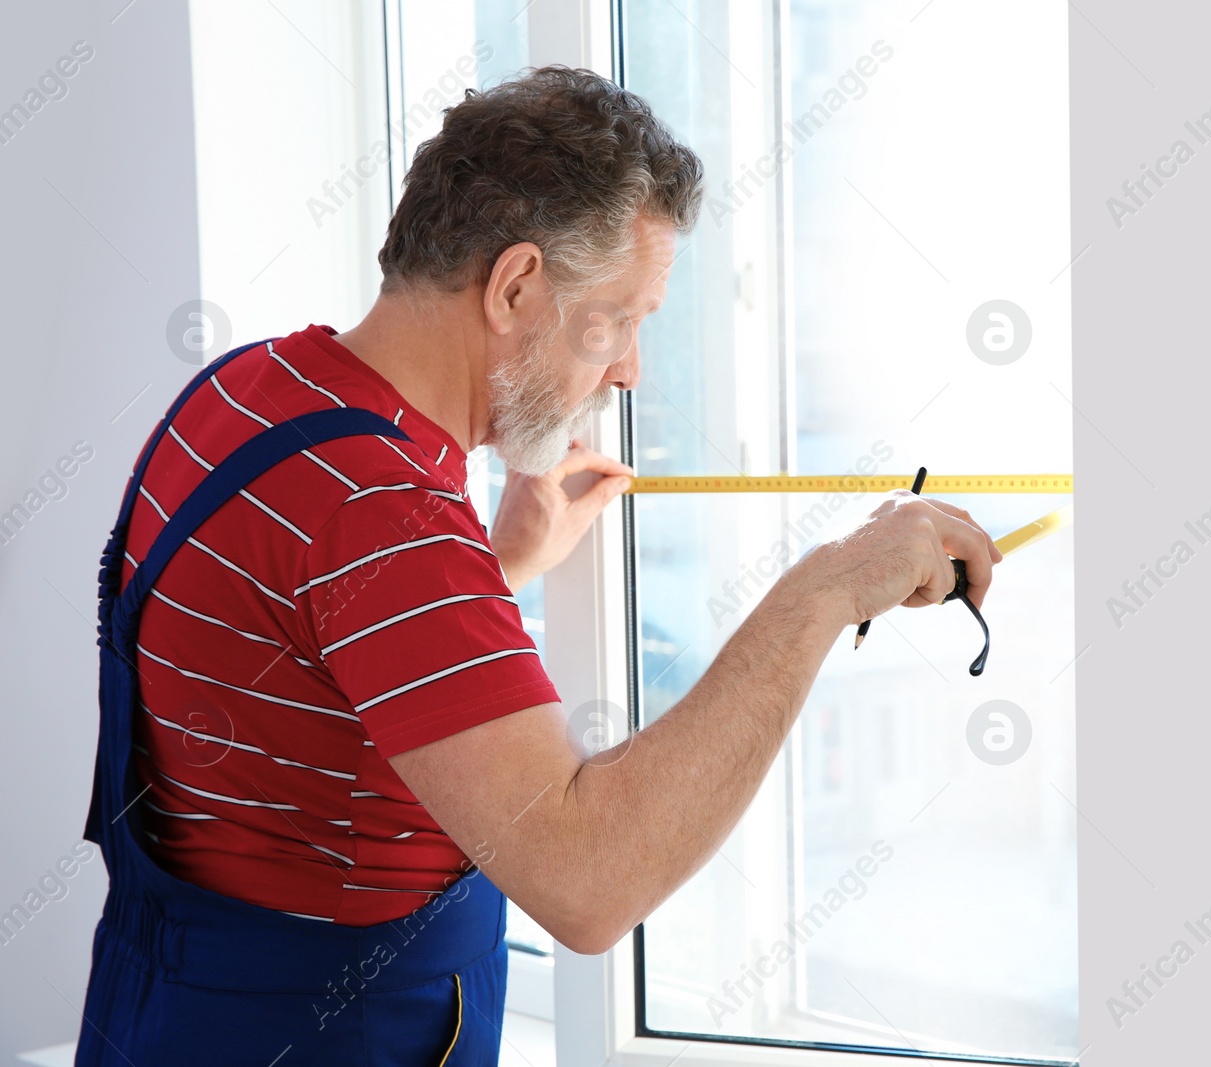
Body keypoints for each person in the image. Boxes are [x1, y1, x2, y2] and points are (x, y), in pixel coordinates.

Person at [77, 65, 1000, 1065]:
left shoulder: (250, 388)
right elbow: (590, 879)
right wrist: (822, 592)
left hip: (164, 1016)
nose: (630, 367)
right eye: (623, 317)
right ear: (516, 285)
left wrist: (495, 564)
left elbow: (291, 650)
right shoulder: (387, 516)